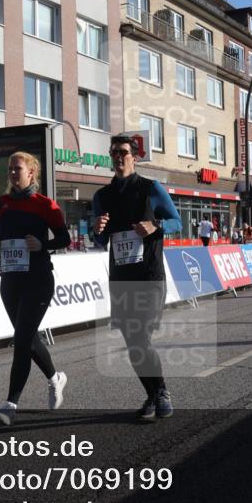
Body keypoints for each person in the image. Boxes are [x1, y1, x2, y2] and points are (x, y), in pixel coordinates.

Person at [93, 135, 182, 419]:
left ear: (134, 157)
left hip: (149, 276)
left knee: (140, 335)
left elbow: (177, 222)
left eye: (124, 152)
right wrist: (97, 229)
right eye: (114, 153)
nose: (119, 157)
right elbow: (99, 241)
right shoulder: (101, 197)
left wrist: (155, 225)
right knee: (132, 341)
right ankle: (153, 394)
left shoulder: (151, 188)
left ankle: (161, 392)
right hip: (121, 277)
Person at [0, 152, 70, 426]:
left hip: (38, 280)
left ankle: (10, 404)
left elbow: (64, 239)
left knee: (21, 340)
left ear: (31, 173)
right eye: (10, 168)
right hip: (10, 281)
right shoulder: (0, 204)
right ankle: (56, 378)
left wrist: (43, 245)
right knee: (27, 338)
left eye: (17, 169)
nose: (12, 173)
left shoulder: (45, 205)